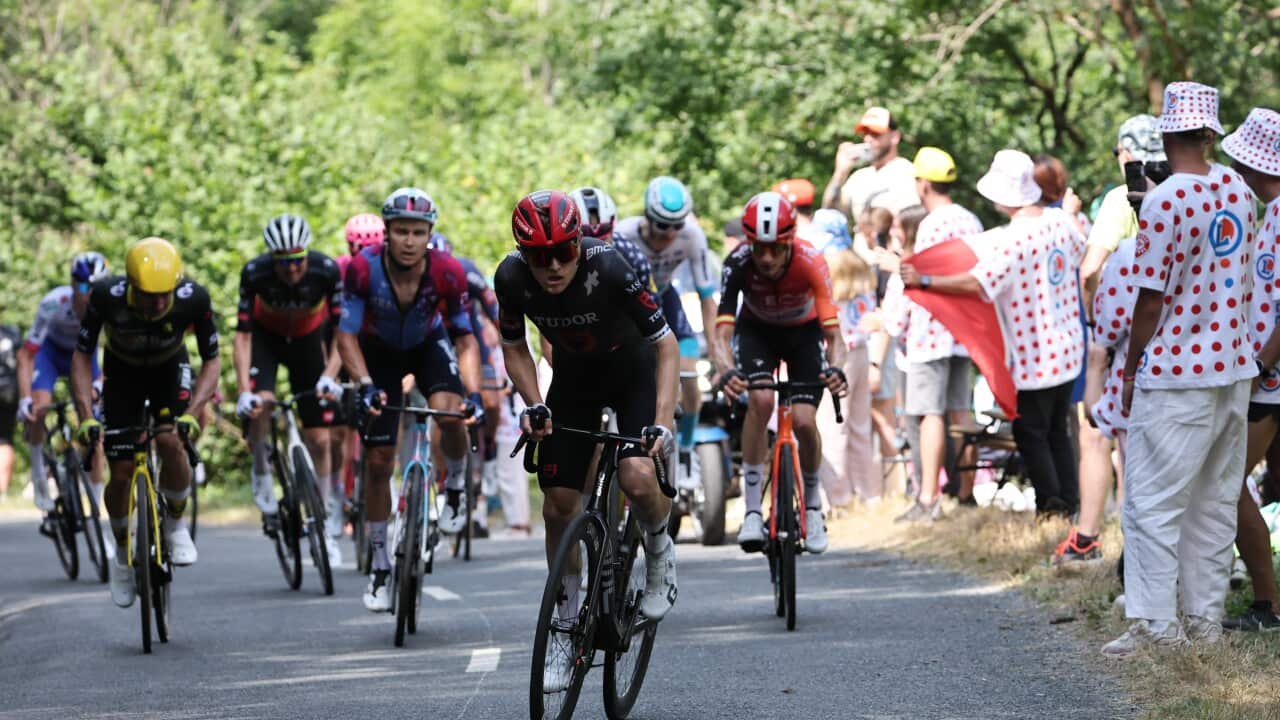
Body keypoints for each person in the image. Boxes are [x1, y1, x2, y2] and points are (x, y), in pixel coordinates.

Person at [494, 190, 679, 691]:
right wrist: (535, 402)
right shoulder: (510, 278)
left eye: (563, 252)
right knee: (557, 504)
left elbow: (665, 344)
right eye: (539, 255)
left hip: (633, 369)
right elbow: (514, 347)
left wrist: (661, 422)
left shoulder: (613, 268)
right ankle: (565, 625)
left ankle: (660, 552)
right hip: (574, 377)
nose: (552, 266)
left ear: (579, 242)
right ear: (522, 254)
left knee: (638, 475)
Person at [1103, 82, 1258, 656]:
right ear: (1211, 132)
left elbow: (1149, 301)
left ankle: (1154, 626)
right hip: (1233, 365)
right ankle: (1204, 623)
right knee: (1214, 504)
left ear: (1168, 132)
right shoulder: (1239, 190)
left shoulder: (1166, 201)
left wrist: (1131, 364)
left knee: (1151, 503)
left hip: (1177, 371)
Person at [901, 149, 1085, 517]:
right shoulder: (1061, 224)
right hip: (1069, 346)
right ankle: (1070, 501)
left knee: (1031, 433)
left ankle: (1051, 505)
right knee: (1057, 431)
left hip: (1034, 353)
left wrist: (925, 279)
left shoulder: (1014, 238)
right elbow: (1082, 251)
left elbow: (977, 282)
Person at [337, 187, 484, 612]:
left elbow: (465, 339)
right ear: (387, 232)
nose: (408, 240)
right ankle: (381, 565)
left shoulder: (448, 271)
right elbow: (345, 334)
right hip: (378, 352)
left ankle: (455, 482)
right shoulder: (362, 271)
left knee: (452, 415)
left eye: (418, 232)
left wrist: (472, 393)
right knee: (379, 461)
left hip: (427, 344)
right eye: (401, 231)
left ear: (428, 234)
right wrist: (364, 383)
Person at [72, 238, 220, 607]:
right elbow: (81, 356)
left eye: (163, 295)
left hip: (170, 370)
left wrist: (193, 411)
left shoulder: (193, 298)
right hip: (122, 376)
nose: (157, 303)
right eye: (147, 295)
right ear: (131, 286)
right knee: (120, 472)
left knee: (171, 441)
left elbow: (212, 361)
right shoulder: (107, 296)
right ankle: (122, 553)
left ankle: (174, 523)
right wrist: (86, 417)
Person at [712, 191, 849, 554]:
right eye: (760, 248)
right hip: (757, 333)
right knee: (759, 399)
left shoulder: (810, 261)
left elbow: (834, 335)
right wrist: (726, 370)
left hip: (803, 335)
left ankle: (815, 508)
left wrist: (836, 368)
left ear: (790, 241)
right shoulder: (738, 262)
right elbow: (721, 332)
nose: (768, 257)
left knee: (804, 421)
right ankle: (753, 510)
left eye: (776, 248)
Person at [234, 214, 344, 565]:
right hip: (267, 341)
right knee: (261, 404)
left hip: (309, 342)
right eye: (284, 263)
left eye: (298, 261)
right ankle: (261, 471)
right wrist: (242, 390)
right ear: (272, 260)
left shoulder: (325, 270)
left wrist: (330, 374)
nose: (293, 270)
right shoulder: (255, 273)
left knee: (321, 439)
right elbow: (243, 336)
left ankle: (323, 520)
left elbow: (345, 333)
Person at [615, 177, 720, 487]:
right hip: (629, 306)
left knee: (689, 377)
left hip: (665, 299)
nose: (670, 234)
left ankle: (686, 454)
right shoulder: (625, 232)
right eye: (662, 225)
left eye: (677, 225)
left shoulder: (692, 236)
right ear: (647, 216)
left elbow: (706, 298)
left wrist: (715, 350)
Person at [1223, 107, 1280, 631]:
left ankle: (1268, 603)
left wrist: (1263, 363)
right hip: (1269, 376)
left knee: (1228, 481)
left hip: (1272, 380)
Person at [18, 253, 108, 517]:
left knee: (94, 431)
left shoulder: (109, 308)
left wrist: (99, 387)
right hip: (50, 354)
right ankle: (38, 476)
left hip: (85, 355)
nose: (88, 294)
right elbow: (26, 355)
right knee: (40, 408)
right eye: (82, 286)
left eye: (95, 288)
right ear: (71, 284)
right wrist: (25, 398)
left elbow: (116, 357)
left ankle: (95, 508)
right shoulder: (53, 303)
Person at [328, 213, 386, 540]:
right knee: (338, 434)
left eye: (372, 247)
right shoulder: (338, 271)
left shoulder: (387, 269)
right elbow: (334, 329)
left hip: (375, 346)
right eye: (358, 248)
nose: (364, 254)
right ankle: (338, 489)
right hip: (343, 343)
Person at [818, 248, 878, 507]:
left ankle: (837, 496)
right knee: (860, 426)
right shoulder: (862, 287)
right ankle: (868, 492)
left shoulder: (830, 290)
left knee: (832, 424)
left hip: (839, 354)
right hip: (861, 352)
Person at [822, 106, 920, 219]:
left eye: (875, 133)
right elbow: (828, 216)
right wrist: (840, 173)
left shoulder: (908, 174)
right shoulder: (859, 178)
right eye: (865, 133)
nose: (868, 139)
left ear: (895, 137)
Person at [0, 321, 20, 499]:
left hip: (8, 391)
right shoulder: (11, 331)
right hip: (10, 391)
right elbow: (22, 361)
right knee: (5, 440)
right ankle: (3, 491)